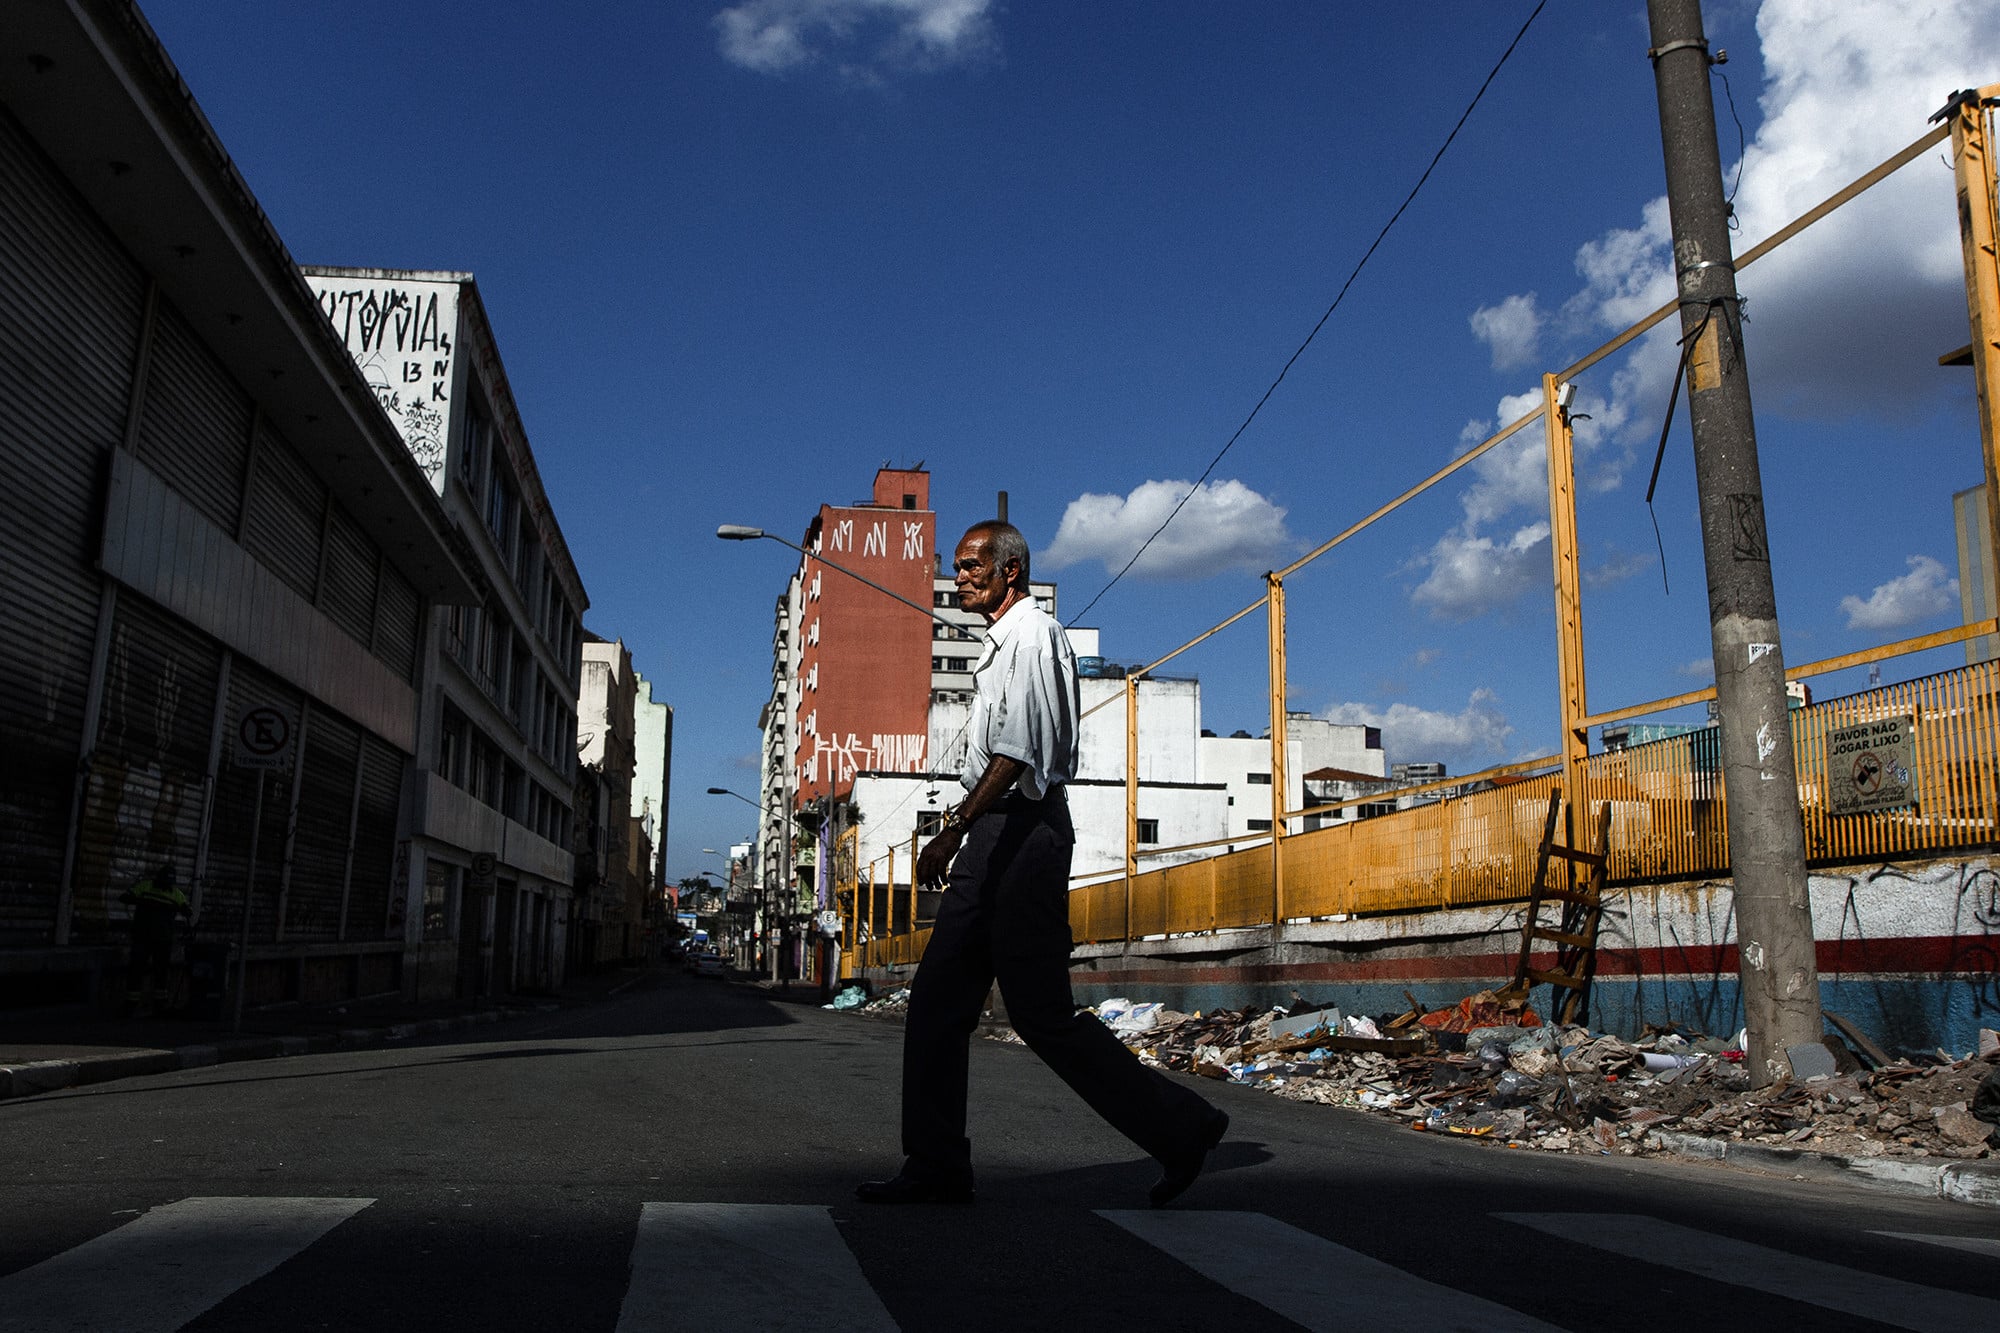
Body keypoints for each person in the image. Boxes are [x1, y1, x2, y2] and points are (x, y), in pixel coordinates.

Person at [857, 520, 1228, 1208]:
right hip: (1001, 833)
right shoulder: (1004, 643)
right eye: (961, 567)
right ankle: (937, 1164)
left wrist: (951, 832)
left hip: (1017, 834)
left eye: (973, 566)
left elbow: (1019, 752)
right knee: (941, 1004)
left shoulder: (1029, 636)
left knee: (1042, 1017)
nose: (961, 576)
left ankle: (1184, 1126)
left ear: (1010, 574)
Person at [123, 860, 190, 1015]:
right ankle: (133, 1003)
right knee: (139, 970)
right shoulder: (148, 887)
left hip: (159, 939)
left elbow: (188, 911)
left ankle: (157, 1004)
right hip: (146, 937)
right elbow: (126, 897)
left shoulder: (174, 894)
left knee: (159, 972)